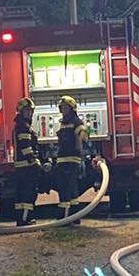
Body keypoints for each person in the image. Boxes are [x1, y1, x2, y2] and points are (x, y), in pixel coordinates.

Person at [56, 95, 88, 224]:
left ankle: (64, 217)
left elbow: (83, 133)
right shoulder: (64, 122)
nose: (64, 110)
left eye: (66, 108)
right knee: (70, 188)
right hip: (63, 159)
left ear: (72, 109)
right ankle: (74, 217)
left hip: (71, 159)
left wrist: (82, 136)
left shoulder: (76, 121)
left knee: (66, 188)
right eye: (62, 108)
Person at [13, 97, 41, 226]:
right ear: (21, 111)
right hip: (26, 166)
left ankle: (22, 218)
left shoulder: (21, 125)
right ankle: (25, 218)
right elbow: (26, 147)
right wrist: (34, 161)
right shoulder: (23, 127)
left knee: (21, 193)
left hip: (22, 166)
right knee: (28, 193)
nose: (29, 113)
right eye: (27, 111)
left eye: (30, 111)